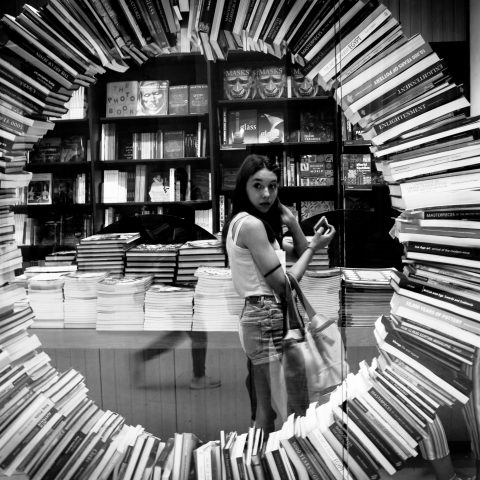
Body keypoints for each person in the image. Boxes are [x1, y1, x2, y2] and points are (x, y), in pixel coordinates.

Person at [222, 153, 336, 434]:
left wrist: (294, 223)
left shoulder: (246, 222)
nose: (266, 193)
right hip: (266, 315)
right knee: (293, 405)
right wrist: (314, 248)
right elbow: (285, 284)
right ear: (243, 187)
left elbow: (295, 252)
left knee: (268, 408)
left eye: (273, 186)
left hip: (260, 315)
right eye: (258, 185)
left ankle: (262, 466)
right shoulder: (251, 226)